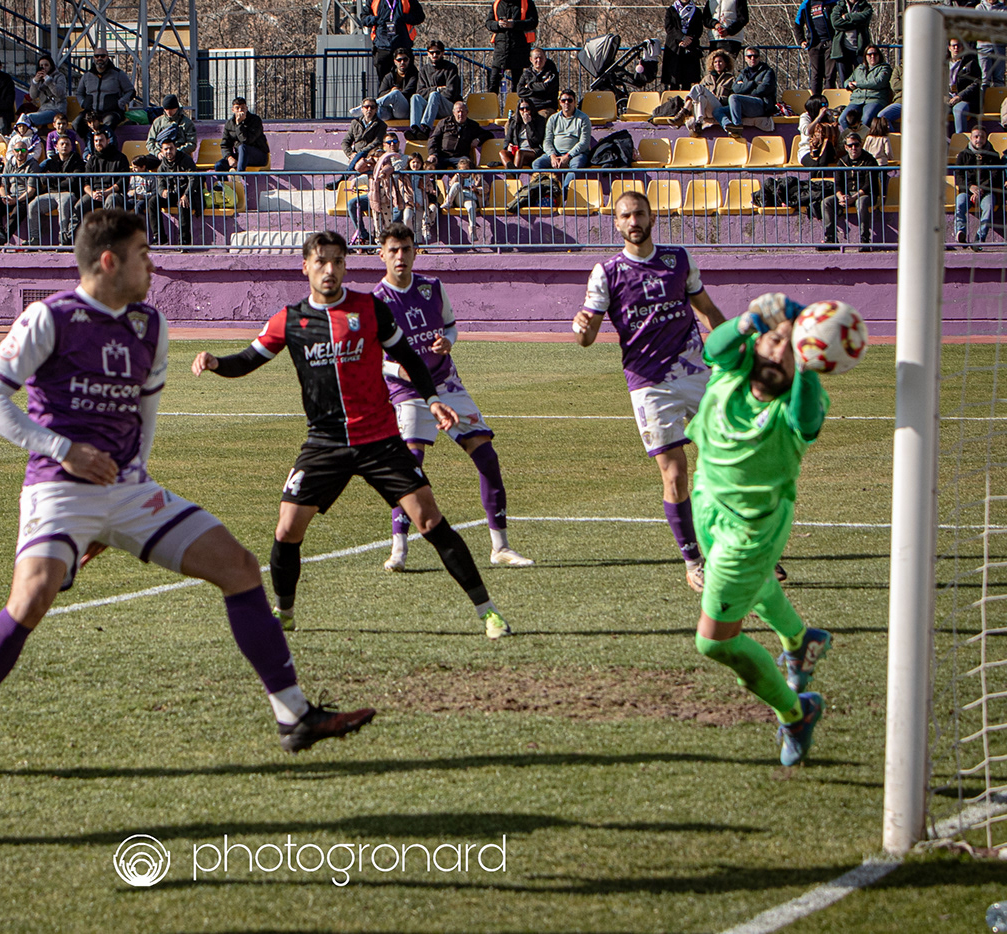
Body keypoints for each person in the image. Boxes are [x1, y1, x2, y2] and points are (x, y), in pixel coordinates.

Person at [0, 209, 377, 797]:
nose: (153, 265)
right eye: (143, 254)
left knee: (239, 567)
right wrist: (63, 449)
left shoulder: (151, 325)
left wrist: (132, 490)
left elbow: (145, 416)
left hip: (130, 488)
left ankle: (293, 715)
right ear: (110, 261)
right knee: (30, 599)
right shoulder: (49, 317)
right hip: (58, 488)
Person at [191, 230, 513, 639]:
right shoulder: (289, 320)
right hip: (324, 443)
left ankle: (487, 611)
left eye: (337, 262)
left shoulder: (370, 308)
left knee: (430, 519)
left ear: (345, 266)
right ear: (305, 267)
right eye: (321, 261)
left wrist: (432, 399)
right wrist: (216, 362)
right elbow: (248, 360)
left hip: (380, 439)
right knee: (287, 528)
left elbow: (408, 357)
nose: (329, 269)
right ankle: (284, 612)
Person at [685, 292, 833, 767]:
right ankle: (800, 640)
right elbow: (716, 346)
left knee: (714, 641)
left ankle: (795, 713)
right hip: (708, 508)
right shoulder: (733, 369)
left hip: (749, 534)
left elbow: (807, 418)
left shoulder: (798, 404)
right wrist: (750, 319)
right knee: (759, 588)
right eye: (774, 341)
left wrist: (807, 363)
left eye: (793, 349)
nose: (778, 352)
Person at [572, 190, 726, 591]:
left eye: (639, 213)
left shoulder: (678, 260)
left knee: (731, 460)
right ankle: (694, 561)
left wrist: (734, 349)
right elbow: (587, 338)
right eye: (625, 215)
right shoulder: (607, 272)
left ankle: (746, 549)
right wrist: (582, 327)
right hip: (649, 385)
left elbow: (707, 310)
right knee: (675, 474)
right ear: (616, 223)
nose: (633, 221)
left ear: (652, 217)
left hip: (697, 373)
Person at [372, 222, 533, 573]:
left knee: (487, 456)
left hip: (446, 384)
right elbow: (374, 357)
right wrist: (401, 370)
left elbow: (450, 325)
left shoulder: (432, 287)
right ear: (381, 254)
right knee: (410, 466)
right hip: (408, 392)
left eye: (406, 249)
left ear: (416, 251)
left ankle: (501, 546)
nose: (400, 256)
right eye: (393, 250)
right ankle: (399, 548)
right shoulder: (376, 302)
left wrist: (449, 341)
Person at [819, 131, 880, 250]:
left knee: (861, 202)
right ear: (846, 147)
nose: (853, 148)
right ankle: (830, 238)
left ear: (861, 145)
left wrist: (853, 197)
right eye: (850, 145)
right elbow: (838, 184)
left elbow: (869, 185)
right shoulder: (842, 162)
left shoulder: (869, 160)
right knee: (826, 202)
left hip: (864, 194)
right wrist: (841, 197)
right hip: (847, 195)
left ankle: (864, 240)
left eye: (856, 145)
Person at [954, 125, 1004, 248]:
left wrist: (981, 189)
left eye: (982, 137)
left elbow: (996, 177)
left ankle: (980, 238)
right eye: (976, 137)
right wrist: (971, 188)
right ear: (971, 138)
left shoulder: (993, 156)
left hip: (986, 192)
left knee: (989, 205)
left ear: (986, 139)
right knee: (960, 202)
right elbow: (959, 177)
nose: (979, 140)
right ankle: (960, 232)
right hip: (967, 191)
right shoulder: (962, 156)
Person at [30, 133, 83, 246]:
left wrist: (54, 178)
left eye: (67, 144)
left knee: (64, 202)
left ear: (71, 147)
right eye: (62, 144)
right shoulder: (50, 162)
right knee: (33, 205)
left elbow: (73, 181)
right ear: (56, 147)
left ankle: (63, 238)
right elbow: (44, 180)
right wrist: (63, 177)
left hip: (69, 193)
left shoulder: (77, 161)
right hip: (51, 193)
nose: (64, 146)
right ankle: (34, 238)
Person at [531, 89, 590, 188]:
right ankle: (548, 189)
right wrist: (552, 156)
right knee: (537, 164)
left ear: (575, 102)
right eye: (563, 100)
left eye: (570, 100)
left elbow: (584, 142)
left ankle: (564, 192)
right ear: (560, 102)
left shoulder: (583, 118)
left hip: (575, 155)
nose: (566, 103)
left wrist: (568, 156)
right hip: (556, 154)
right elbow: (547, 141)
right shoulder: (553, 119)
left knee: (576, 166)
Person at [715, 45, 776, 136]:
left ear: (759, 57)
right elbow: (735, 88)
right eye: (749, 56)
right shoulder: (743, 73)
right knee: (717, 111)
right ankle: (729, 126)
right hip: (743, 104)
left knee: (733, 97)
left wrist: (744, 87)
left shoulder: (767, 71)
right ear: (745, 58)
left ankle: (737, 126)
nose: (752, 58)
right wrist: (753, 83)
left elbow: (763, 89)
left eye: (755, 56)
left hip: (760, 104)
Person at [360, 0, 425, 86]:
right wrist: (377, 19)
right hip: (382, 48)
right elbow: (364, 19)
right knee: (384, 83)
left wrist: (403, 17)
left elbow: (420, 16)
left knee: (406, 82)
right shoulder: (373, 1)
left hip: (403, 46)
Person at [75, 49, 135, 139]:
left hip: (111, 111)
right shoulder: (87, 76)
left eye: (102, 56)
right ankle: (89, 143)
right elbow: (79, 93)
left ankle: (106, 144)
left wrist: (120, 103)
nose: (99, 58)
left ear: (107, 57)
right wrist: (83, 103)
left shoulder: (118, 74)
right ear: (94, 58)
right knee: (76, 123)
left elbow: (131, 91)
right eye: (97, 56)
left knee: (108, 124)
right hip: (91, 111)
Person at [154, 137, 203, 246]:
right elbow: (160, 181)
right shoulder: (162, 165)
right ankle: (159, 237)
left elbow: (193, 179)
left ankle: (184, 241)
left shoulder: (186, 159)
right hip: (172, 193)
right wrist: (162, 191)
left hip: (187, 193)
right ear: (161, 151)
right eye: (165, 149)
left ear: (175, 148)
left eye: (171, 148)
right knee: (153, 201)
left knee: (183, 204)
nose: (168, 151)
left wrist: (186, 195)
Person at [409, 40, 461, 140]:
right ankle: (415, 129)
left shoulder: (450, 68)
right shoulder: (424, 70)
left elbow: (450, 92)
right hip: (430, 107)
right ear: (428, 53)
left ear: (442, 53)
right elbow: (420, 91)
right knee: (415, 97)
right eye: (432, 52)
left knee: (434, 95)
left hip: (447, 107)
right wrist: (437, 89)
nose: (434, 55)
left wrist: (434, 93)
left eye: (437, 52)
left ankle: (426, 129)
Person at [329, 98, 386, 189]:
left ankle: (343, 178)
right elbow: (345, 142)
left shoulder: (381, 125)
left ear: (376, 109)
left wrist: (360, 153)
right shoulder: (355, 123)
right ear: (362, 109)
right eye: (366, 107)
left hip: (371, 155)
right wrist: (351, 154)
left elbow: (376, 142)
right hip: (356, 157)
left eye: (372, 107)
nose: (369, 109)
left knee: (362, 159)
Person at [485, 0, 538, 95]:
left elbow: (533, 22)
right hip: (501, 50)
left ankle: (517, 103)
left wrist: (514, 24)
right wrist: (498, 24)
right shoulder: (497, 3)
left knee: (518, 84)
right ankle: (491, 103)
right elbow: (488, 23)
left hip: (520, 50)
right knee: (493, 81)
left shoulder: (526, 2)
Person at [78, 126, 130, 220]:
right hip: (95, 193)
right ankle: (71, 230)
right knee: (79, 206)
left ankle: (109, 229)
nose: (98, 143)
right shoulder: (92, 159)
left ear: (108, 140)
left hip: (114, 193)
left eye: (101, 140)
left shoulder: (120, 158)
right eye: (96, 141)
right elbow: (85, 182)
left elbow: (123, 181)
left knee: (111, 201)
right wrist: (92, 193)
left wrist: (107, 192)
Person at [0, 141, 42, 244]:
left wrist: (16, 200)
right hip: (11, 196)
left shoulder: (33, 165)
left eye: (23, 150)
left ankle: (2, 238)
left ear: (27, 151)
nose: (20, 153)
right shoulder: (9, 164)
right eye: (17, 150)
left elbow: (31, 190)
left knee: (18, 211)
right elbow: (3, 185)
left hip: (25, 197)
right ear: (13, 151)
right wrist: (5, 196)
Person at [679, 48, 734, 134]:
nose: (717, 64)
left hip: (719, 108)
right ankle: (698, 123)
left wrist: (717, 98)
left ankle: (684, 112)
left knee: (698, 87)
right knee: (700, 97)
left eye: (720, 62)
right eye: (715, 62)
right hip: (705, 109)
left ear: (726, 63)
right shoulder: (707, 78)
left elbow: (732, 100)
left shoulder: (731, 79)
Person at [427, 98, 490, 170]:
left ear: (467, 112)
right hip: (443, 155)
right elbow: (433, 139)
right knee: (430, 166)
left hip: (461, 157)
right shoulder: (444, 123)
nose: (461, 114)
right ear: (454, 112)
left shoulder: (472, 125)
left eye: (463, 111)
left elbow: (488, 134)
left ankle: (457, 177)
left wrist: (478, 139)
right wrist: (432, 154)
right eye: (458, 111)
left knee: (467, 166)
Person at [839, 45, 890, 130]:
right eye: (869, 54)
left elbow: (877, 83)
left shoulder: (884, 68)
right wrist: (849, 84)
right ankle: (851, 137)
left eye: (875, 54)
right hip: (857, 100)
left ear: (879, 55)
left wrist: (858, 84)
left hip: (875, 99)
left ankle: (861, 137)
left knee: (866, 120)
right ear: (865, 57)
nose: (872, 56)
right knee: (842, 119)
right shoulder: (859, 69)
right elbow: (847, 81)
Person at [793, 0, 837, 96]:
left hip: (831, 43)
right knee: (816, 74)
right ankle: (815, 100)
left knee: (830, 74)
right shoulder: (806, 4)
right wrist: (801, 40)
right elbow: (797, 24)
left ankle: (828, 99)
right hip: (814, 44)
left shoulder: (833, 2)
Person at [215, 97, 270, 172]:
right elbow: (225, 144)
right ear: (233, 110)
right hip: (240, 155)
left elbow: (246, 140)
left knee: (243, 147)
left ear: (246, 109)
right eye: (237, 108)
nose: (240, 110)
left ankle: (239, 174)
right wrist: (229, 157)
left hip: (258, 156)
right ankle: (224, 180)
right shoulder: (229, 124)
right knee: (219, 165)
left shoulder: (255, 120)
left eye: (243, 108)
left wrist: (239, 124)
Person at [663, 0, 705, 91]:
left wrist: (688, 40)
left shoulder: (696, 11)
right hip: (674, 48)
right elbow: (669, 28)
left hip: (690, 48)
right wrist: (682, 37)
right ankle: (674, 100)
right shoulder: (671, 10)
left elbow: (698, 30)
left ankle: (686, 100)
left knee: (688, 81)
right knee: (674, 81)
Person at [829, 0, 873, 87]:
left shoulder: (865, 7)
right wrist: (857, 22)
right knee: (845, 83)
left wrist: (847, 16)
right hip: (842, 51)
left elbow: (864, 18)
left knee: (861, 80)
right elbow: (836, 23)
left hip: (860, 51)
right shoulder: (839, 7)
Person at [441, 155, 484, 241]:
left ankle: (472, 231)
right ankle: (448, 202)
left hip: (470, 198)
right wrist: (457, 176)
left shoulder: (477, 177)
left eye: (466, 169)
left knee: (471, 208)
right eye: (462, 170)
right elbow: (450, 187)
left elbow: (485, 189)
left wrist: (476, 189)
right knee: (456, 185)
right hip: (460, 198)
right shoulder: (458, 177)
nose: (464, 172)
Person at [949, 38, 983, 136]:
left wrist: (960, 96)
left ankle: (960, 139)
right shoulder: (943, 65)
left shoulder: (970, 63)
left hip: (965, 99)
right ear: (949, 48)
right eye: (953, 46)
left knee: (958, 110)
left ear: (963, 48)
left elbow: (976, 83)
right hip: (948, 98)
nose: (956, 48)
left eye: (958, 45)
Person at [402, 150, 439, 243]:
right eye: (413, 162)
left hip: (420, 203)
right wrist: (409, 201)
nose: (416, 164)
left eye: (418, 162)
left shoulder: (424, 176)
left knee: (418, 224)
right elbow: (402, 190)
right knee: (407, 218)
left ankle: (418, 243)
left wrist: (426, 188)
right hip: (410, 203)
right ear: (409, 163)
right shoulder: (405, 176)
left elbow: (430, 187)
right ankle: (409, 239)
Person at [515, 45, 559, 121]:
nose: (538, 60)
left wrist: (528, 86)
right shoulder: (526, 73)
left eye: (541, 58)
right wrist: (539, 88)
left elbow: (546, 88)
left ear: (545, 59)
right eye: (536, 58)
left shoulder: (552, 73)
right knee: (511, 122)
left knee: (539, 120)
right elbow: (520, 91)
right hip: (528, 107)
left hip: (546, 107)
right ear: (531, 59)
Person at [146, 93, 197, 159]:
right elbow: (150, 142)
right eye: (166, 109)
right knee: (142, 161)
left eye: (172, 109)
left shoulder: (186, 123)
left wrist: (175, 151)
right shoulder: (158, 122)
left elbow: (192, 144)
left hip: (179, 155)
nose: (169, 112)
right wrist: (157, 153)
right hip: (160, 154)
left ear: (177, 108)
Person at [22, 53, 67, 126]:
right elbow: (33, 96)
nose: (44, 67)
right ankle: (17, 133)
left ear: (51, 66)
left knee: (29, 117)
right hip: (43, 109)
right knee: (24, 118)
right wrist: (35, 82)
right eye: (41, 66)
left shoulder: (59, 76)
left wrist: (48, 80)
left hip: (57, 110)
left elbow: (59, 93)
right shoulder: (39, 79)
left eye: (46, 65)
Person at [500, 98, 545, 170]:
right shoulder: (514, 122)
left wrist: (528, 124)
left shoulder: (539, 120)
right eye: (522, 109)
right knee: (502, 152)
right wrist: (508, 146)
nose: (525, 111)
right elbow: (507, 139)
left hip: (532, 150)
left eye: (527, 108)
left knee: (520, 153)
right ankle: (512, 171)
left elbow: (536, 140)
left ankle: (514, 174)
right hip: (517, 149)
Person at [375, 50, 419, 122]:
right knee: (379, 110)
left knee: (396, 94)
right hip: (390, 110)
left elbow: (408, 92)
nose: (402, 62)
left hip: (404, 110)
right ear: (395, 61)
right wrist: (391, 92)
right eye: (399, 60)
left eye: (405, 59)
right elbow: (381, 94)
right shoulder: (389, 76)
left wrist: (395, 94)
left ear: (409, 60)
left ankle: (369, 105)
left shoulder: (414, 75)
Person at [978, 0, 1007, 87]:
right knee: (985, 78)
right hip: (984, 48)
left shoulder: (1004, 9)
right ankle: (984, 95)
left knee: (999, 79)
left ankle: (998, 96)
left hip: (999, 47)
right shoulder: (980, 7)